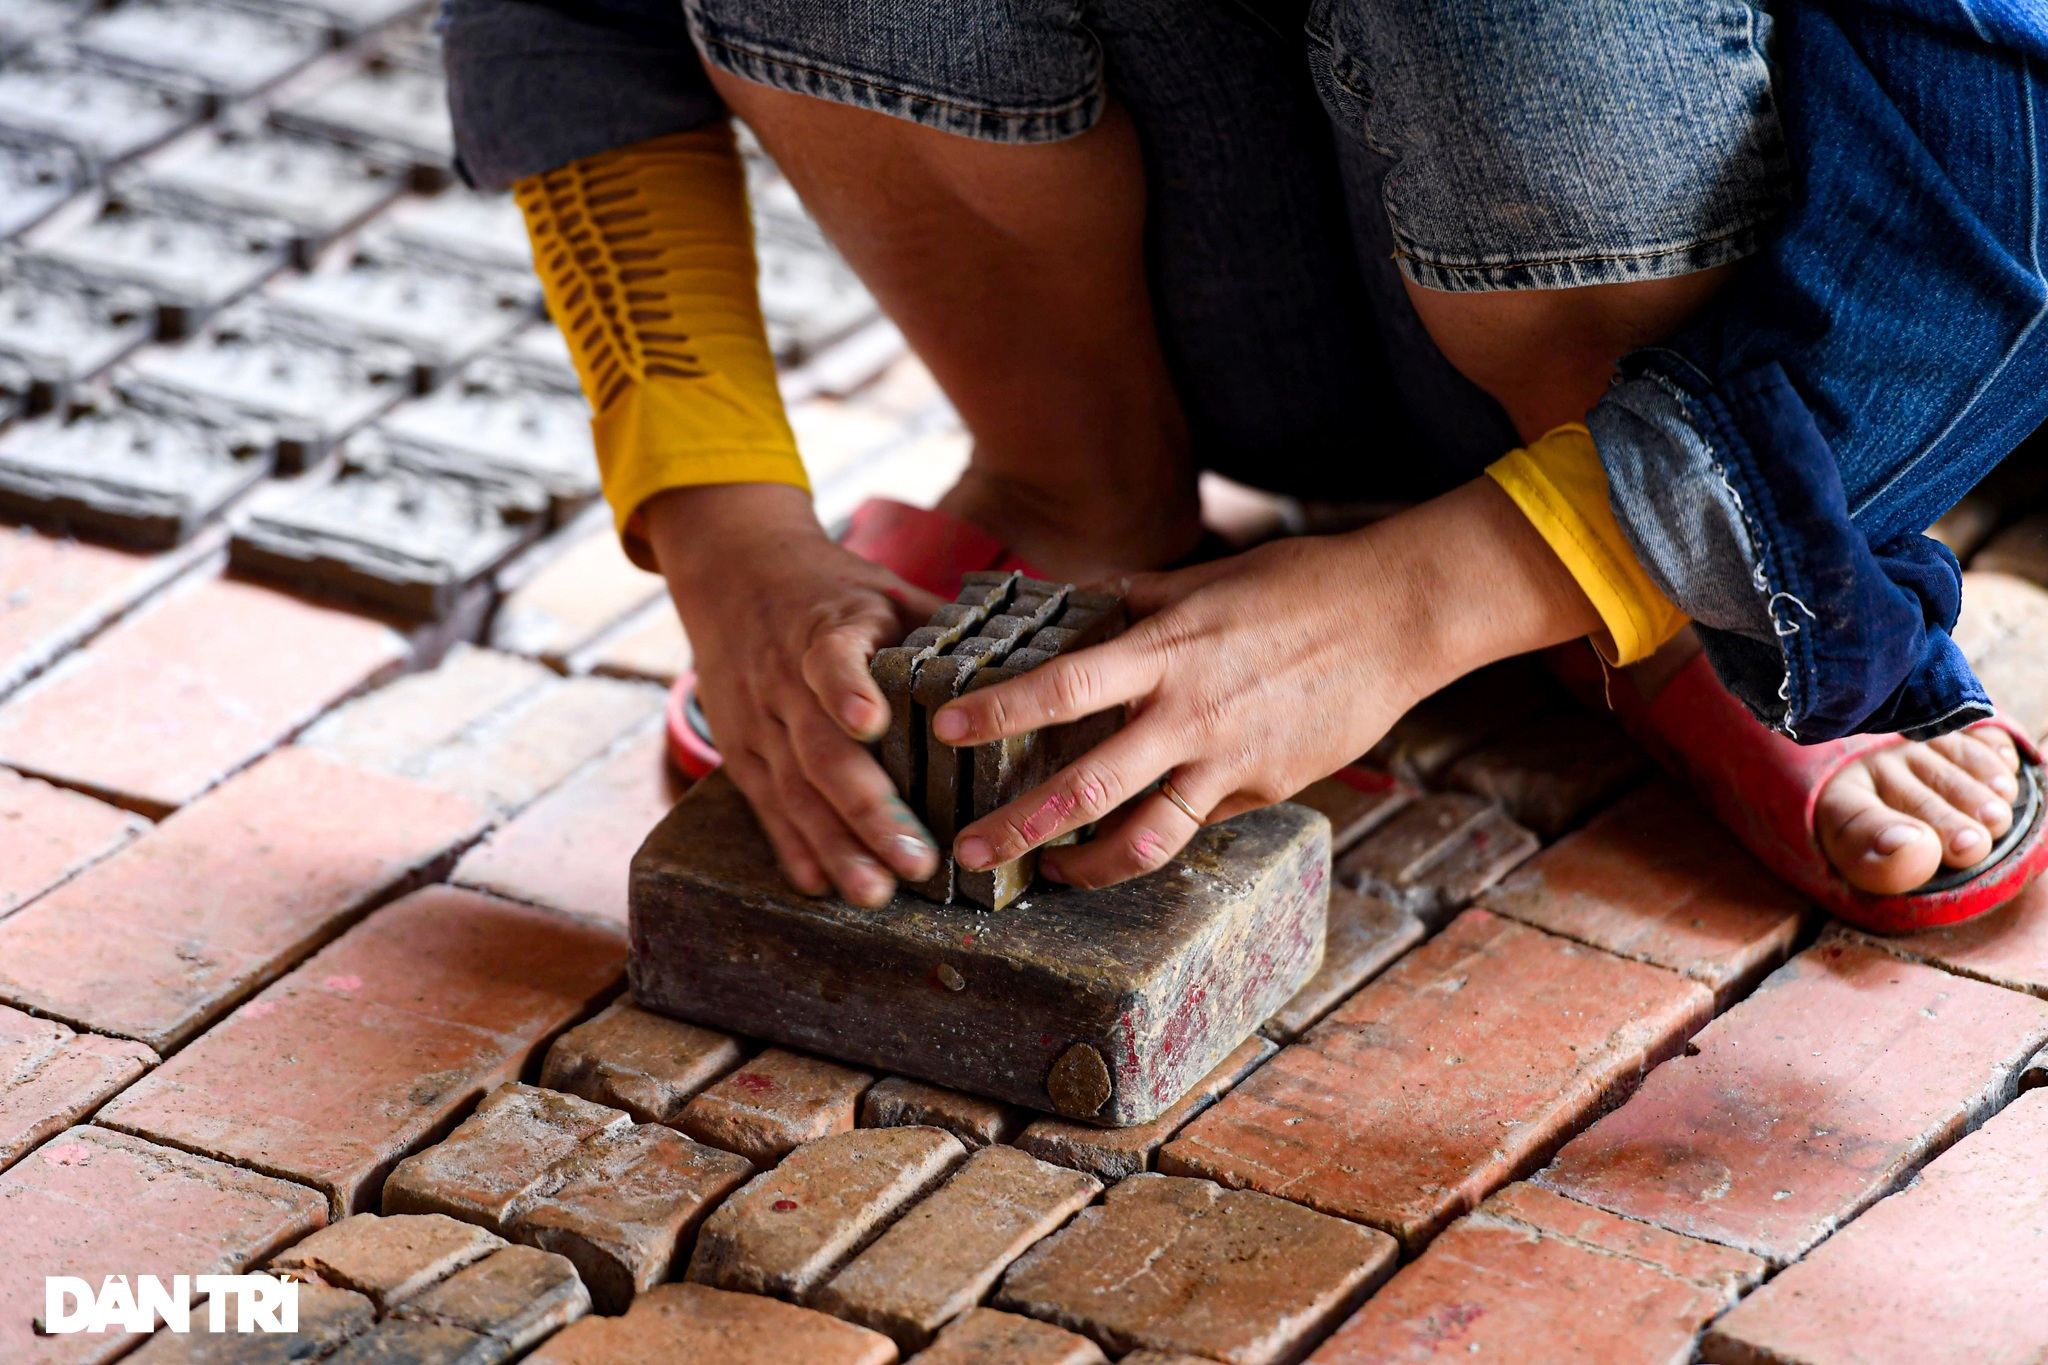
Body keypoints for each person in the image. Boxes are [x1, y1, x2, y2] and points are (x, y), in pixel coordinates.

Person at [443, 0, 2048, 931]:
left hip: (1670, 329)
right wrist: (721, 522)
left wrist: (1436, 598)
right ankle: (1075, 481)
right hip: (1187, 303)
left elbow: (2013, 187)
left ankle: (1685, 595)